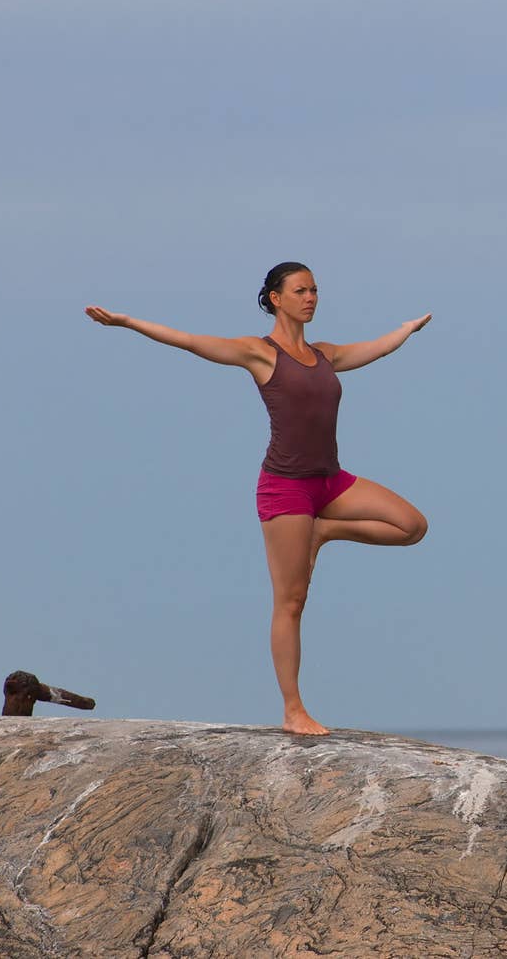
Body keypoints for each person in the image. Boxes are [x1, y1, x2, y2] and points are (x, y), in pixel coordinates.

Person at [85, 262, 429, 735]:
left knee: (411, 526)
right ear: (274, 298)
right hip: (286, 488)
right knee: (291, 600)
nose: (311, 297)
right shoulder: (259, 353)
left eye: (315, 290)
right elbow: (188, 340)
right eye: (301, 290)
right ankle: (293, 710)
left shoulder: (324, 354)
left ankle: (322, 532)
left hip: (330, 481)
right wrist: (127, 322)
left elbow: (372, 350)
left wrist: (405, 331)